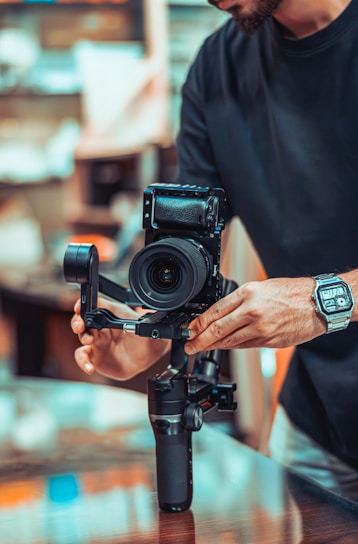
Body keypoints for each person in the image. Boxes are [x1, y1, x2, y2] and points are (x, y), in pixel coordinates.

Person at [71, 0, 358, 501]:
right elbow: (186, 251)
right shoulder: (217, 68)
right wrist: (148, 330)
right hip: (320, 423)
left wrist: (322, 300)